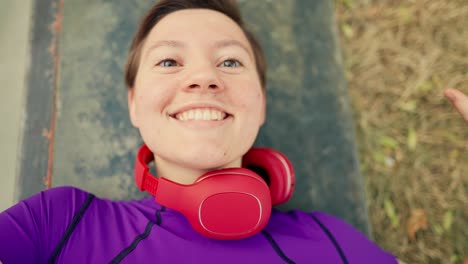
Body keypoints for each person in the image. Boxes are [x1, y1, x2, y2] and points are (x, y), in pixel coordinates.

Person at [0, 1, 466, 263]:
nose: (203, 78)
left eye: (229, 61)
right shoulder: (58, 225)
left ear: (259, 103)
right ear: (133, 103)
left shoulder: (332, 240)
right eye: (168, 61)